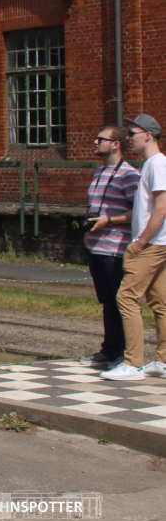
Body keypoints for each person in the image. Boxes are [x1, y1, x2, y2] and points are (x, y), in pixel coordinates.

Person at [102, 114, 166, 381]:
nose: (128, 138)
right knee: (160, 301)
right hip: (156, 243)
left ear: (148, 136)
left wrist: (140, 242)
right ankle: (162, 361)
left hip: (151, 244)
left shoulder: (157, 164)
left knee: (126, 297)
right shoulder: (152, 164)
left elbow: (162, 207)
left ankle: (133, 363)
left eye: (132, 133)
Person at [82, 125, 140, 369]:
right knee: (107, 300)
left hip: (116, 247)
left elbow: (138, 212)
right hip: (96, 246)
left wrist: (111, 221)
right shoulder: (99, 172)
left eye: (101, 139)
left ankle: (125, 352)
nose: (96, 142)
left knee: (120, 301)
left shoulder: (129, 175)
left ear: (115, 144)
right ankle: (109, 348)